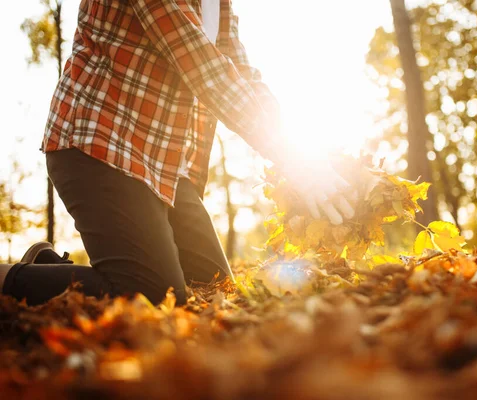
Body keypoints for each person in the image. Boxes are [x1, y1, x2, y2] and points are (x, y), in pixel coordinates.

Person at [0, 0, 355, 306]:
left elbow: (239, 71)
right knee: (152, 296)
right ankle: (8, 280)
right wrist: (294, 161)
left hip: (165, 164)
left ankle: (46, 268)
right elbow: (203, 67)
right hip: (101, 143)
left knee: (212, 287)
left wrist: (308, 154)